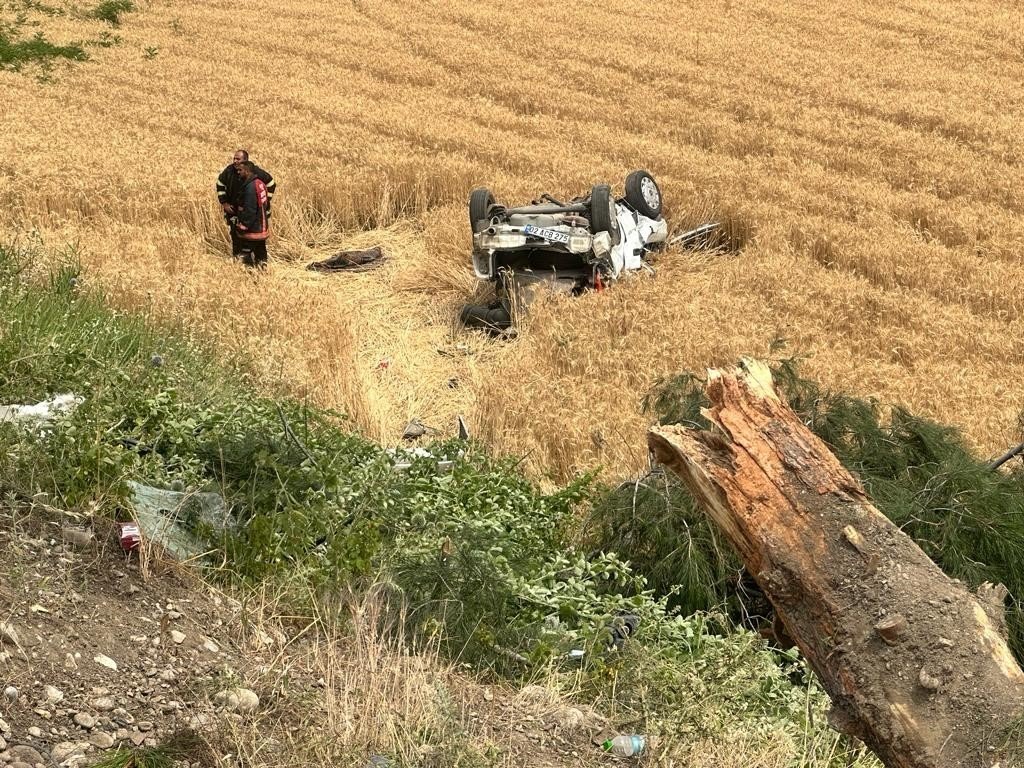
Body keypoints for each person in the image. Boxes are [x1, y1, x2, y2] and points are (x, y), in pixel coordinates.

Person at [216, 149, 276, 257]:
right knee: (238, 240)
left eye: (238, 159)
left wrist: (263, 203)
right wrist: (224, 203)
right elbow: (220, 183)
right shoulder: (229, 171)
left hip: (254, 217)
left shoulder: (255, 177)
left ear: (246, 164)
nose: (234, 161)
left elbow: (271, 184)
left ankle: (251, 265)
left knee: (256, 243)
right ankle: (245, 264)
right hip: (236, 214)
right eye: (234, 158)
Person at [233, 161, 271, 268]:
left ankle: (249, 277)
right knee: (261, 253)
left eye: (240, 170)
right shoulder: (260, 183)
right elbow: (266, 204)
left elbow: (250, 209)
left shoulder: (250, 188)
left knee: (246, 255)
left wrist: (243, 225)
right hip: (261, 227)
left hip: (253, 229)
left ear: (247, 171)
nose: (238, 172)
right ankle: (263, 274)